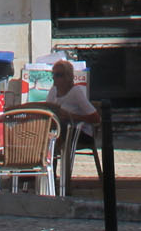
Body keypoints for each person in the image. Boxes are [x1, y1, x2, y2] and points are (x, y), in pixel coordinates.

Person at [45, 57, 100, 189]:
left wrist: (71, 116)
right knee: (45, 133)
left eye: (58, 75)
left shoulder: (76, 92)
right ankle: (43, 176)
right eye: (53, 75)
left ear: (68, 77)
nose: (55, 78)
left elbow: (95, 118)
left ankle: (60, 183)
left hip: (79, 132)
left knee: (55, 133)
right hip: (59, 131)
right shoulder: (53, 91)